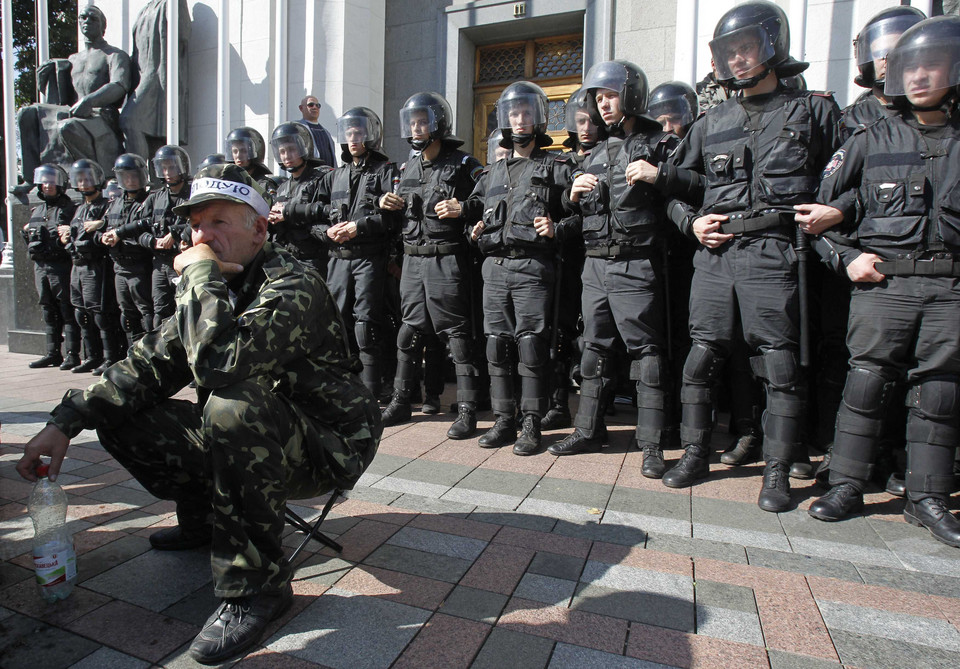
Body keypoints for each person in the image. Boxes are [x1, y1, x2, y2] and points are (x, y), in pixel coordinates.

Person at [16, 163, 383, 663]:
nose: (201, 237)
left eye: (218, 223)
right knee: (122, 412)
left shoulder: (294, 284)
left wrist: (200, 275)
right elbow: (151, 362)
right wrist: (66, 420)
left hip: (327, 444)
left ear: (258, 228)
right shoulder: (217, 282)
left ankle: (257, 588)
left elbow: (221, 365)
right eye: (194, 226)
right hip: (258, 436)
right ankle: (204, 519)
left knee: (231, 404)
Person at [662, 1, 843, 512]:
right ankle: (696, 453)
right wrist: (691, 222)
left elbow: (852, 179)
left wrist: (835, 212)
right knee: (701, 359)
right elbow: (675, 191)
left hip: (777, 253)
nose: (738, 60)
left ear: (773, 46)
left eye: (747, 48)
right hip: (716, 257)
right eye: (729, 52)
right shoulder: (709, 121)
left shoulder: (814, 111)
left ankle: (780, 470)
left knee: (780, 366)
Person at [807, 16, 960, 547]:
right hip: (884, 287)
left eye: (931, 66)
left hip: (950, 290)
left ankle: (928, 498)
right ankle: (847, 484)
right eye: (909, 67)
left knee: (939, 391)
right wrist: (845, 258)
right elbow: (816, 222)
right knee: (866, 382)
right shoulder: (868, 140)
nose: (919, 77)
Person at [548, 61, 684, 475]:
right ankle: (589, 430)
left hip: (637, 262)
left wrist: (660, 175)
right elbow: (577, 209)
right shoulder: (594, 153)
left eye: (609, 96)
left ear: (631, 95)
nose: (603, 105)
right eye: (597, 98)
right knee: (593, 350)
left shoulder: (660, 143)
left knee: (646, 355)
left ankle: (652, 443)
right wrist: (571, 194)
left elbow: (688, 190)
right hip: (595, 265)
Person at [462, 81, 575, 454]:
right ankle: (503, 419)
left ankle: (531, 423)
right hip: (494, 267)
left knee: (530, 347)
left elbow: (580, 211)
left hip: (533, 267)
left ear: (539, 118)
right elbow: (472, 212)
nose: (520, 120)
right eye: (514, 114)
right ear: (505, 120)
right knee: (497, 346)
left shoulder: (557, 166)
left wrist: (557, 227)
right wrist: (473, 229)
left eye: (526, 113)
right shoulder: (492, 173)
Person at [378, 92, 484, 438]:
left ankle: (467, 409)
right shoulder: (407, 166)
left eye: (422, 121)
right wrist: (386, 205)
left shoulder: (464, 164)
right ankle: (401, 400)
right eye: (411, 122)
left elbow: (488, 198)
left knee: (456, 335)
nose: (416, 127)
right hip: (412, 261)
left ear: (437, 123)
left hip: (446, 260)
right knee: (408, 332)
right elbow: (395, 221)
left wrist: (463, 209)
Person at [311, 107, 401, 400]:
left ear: (371, 136)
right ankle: (345, 385)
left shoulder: (387, 171)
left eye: (359, 133)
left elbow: (394, 220)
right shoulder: (333, 176)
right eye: (349, 134)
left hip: (369, 258)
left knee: (367, 323)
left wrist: (358, 227)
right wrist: (326, 232)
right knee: (339, 323)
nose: (353, 139)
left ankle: (374, 389)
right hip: (337, 260)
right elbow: (314, 218)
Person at [14, 5, 132, 188]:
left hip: (100, 115)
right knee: (26, 113)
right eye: (83, 18)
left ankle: (94, 177)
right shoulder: (72, 59)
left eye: (93, 19)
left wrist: (89, 100)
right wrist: (48, 75)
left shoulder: (114, 55)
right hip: (74, 111)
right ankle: (31, 178)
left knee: (68, 126)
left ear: (103, 26)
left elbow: (120, 85)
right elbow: (59, 98)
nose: (87, 22)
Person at [113, 146, 192, 329]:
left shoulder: (193, 193)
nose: (168, 173)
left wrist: (175, 234)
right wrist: (153, 242)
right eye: (163, 168)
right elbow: (139, 228)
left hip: (183, 261)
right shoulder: (156, 198)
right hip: (160, 263)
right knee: (159, 312)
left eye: (171, 167)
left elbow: (199, 221)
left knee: (185, 309)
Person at [59, 159, 123, 374]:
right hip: (77, 266)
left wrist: (100, 226)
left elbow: (113, 226)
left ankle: (109, 357)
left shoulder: (107, 206)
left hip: (96, 266)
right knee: (80, 312)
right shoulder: (79, 208)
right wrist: (67, 234)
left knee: (100, 314)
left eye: (88, 179)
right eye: (80, 180)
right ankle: (91, 355)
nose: (84, 183)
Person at [21, 165, 79, 369]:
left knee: (66, 309)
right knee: (48, 310)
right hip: (41, 267)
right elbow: (30, 239)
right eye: (44, 182)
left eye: (52, 182)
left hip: (60, 266)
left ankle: (73, 354)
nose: (47, 186)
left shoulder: (68, 209)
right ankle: (52, 353)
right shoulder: (38, 210)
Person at [843, 6, 926, 133]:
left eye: (897, 52)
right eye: (879, 54)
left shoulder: (936, 116)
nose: (887, 60)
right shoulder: (849, 120)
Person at [99, 154, 153, 345]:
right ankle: (133, 354)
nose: (130, 181)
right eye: (125, 176)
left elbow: (147, 226)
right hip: (119, 268)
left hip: (140, 267)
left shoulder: (149, 201)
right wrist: (104, 237)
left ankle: (149, 354)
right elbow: (104, 227)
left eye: (133, 176)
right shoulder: (115, 204)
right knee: (127, 315)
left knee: (146, 312)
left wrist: (120, 234)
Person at [267, 122, 333, 277]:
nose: (286, 155)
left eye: (291, 149)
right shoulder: (282, 187)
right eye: (282, 151)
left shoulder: (321, 178)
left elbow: (329, 211)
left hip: (315, 259)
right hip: (287, 259)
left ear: (303, 148)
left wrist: (290, 212)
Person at [225, 127, 279, 201]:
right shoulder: (230, 185)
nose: (238, 155)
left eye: (243, 151)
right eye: (235, 151)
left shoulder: (264, 185)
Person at [297, 95, 338, 168]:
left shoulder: (326, 132)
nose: (315, 107)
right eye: (311, 105)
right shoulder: (298, 129)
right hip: (310, 175)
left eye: (317, 105)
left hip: (329, 175)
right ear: (301, 108)